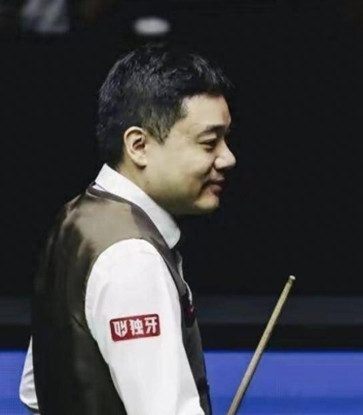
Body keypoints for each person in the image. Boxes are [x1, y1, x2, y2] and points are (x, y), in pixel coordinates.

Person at [19, 43, 236, 414]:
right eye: (209, 142)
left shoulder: (74, 218)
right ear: (139, 146)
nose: (227, 157)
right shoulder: (132, 258)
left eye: (226, 139)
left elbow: (34, 392)